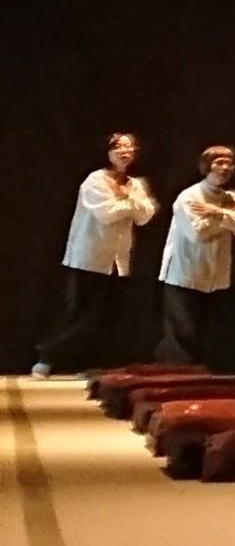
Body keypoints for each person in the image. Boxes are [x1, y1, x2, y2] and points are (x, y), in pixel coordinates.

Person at [31, 133, 159, 376]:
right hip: (89, 256)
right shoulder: (95, 180)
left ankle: (91, 364)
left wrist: (129, 202)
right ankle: (48, 357)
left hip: (118, 260)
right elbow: (106, 213)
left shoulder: (136, 184)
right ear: (108, 152)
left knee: (107, 316)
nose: (125, 151)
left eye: (129, 147)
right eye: (118, 147)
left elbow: (146, 215)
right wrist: (131, 204)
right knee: (80, 313)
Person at [154, 146, 235, 370]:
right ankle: (180, 374)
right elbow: (197, 232)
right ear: (207, 166)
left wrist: (217, 213)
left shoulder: (230, 198)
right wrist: (229, 219)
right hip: (186, 272)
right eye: (219, 162)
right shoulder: (189, 197)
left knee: (210, 330)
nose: (225, 168)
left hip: (215, 274)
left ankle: (204, 373)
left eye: (229, 163)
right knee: (184, 330)